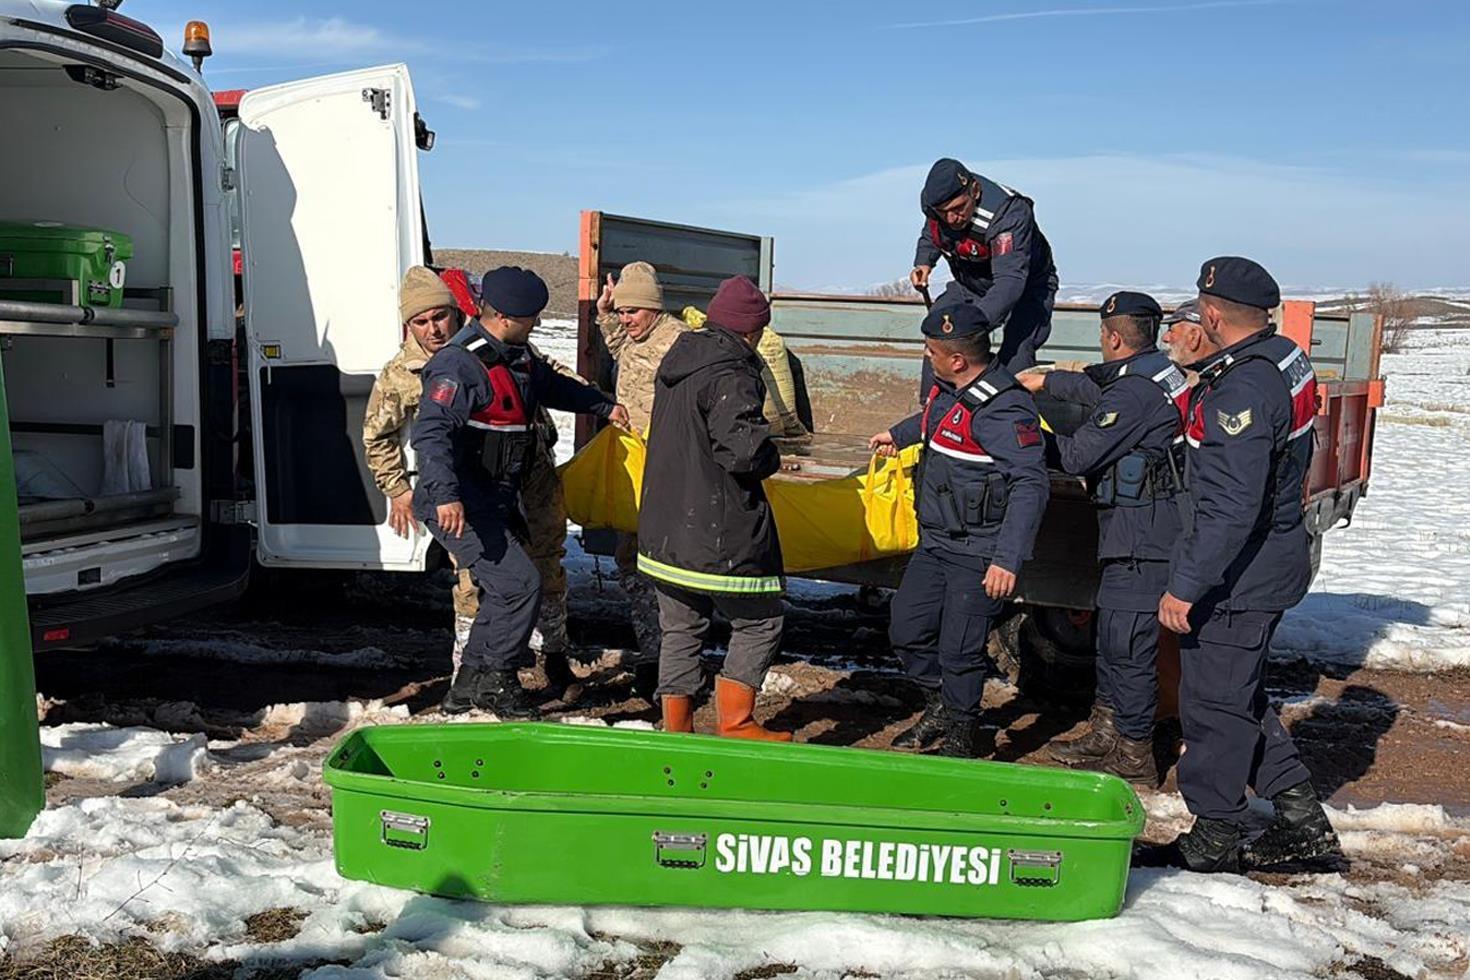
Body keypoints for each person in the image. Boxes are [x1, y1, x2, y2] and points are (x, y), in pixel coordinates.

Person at [1139, 257, 1341, 873]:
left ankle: (1216, 832)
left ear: (1212, 314)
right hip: (1267, 558)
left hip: (1239, 575)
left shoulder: (1243, 389)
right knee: (1237, 696)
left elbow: (1231, 504)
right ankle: (1302, 822)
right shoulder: (1281, 356)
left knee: (1211, 705)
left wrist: (1185, 586)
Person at [412, 266, 629, 716]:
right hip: (459, 503)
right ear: (506, 318)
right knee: (520, 585)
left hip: (491, 501)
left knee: (503, 588)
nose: (537, 324)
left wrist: (603, 406)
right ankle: (498, 681)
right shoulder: (459, 365)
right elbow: (431, 434)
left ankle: (467, 685)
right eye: (532, 318)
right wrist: (447, 495)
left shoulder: (516, 355)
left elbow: (551, 387)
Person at [364, 268, 580, 702]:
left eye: (440, 316)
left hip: (530, 481)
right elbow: (381, 435)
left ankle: (548, 658)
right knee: (481, 585)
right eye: (421, 322)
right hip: (467, 493)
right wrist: (399, 489)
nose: (433, 329)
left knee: (544, 569)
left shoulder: (495, 343)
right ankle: (480, 675)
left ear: (457, 312)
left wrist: (598, 401)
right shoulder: (405, 372)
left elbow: (546, 377)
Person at [1019, 291, 1189, 785]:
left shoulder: (1133, 394)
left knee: (1126, 645)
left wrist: (1024, 433)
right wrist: (1047, 380)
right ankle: (1107, 732)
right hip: (1140, 531)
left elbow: (1077, 456)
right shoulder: (1157, 371)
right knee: (1114, 638)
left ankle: (1133, 754)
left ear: (1113, 337)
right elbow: (1098, 385)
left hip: (1143, 537)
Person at [869, 302, 1050, 757]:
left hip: (978, 550)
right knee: (907, 629)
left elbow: (1030, 484)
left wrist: (1006, 559)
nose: (925, 356)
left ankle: (962, 737)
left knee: (960, 651)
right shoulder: (951, 389)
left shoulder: (1005, 408)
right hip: (936, 542)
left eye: (930, 350)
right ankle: (943, 706)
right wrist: (899, 434)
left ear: (956, 360)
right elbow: (936, 420)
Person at [637, 276, 790, 741]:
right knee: (761, 620)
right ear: (752, 330)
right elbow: (742, 451)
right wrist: (773, 455)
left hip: (665, 527)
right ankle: (737, 723)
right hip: (715, 532)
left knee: (681, 628)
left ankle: (677, 729)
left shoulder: (679, 360)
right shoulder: (731, 374)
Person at [595, 261, 688, 698]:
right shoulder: (636, 336)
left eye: (632, 311)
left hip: (668, 471)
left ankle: (674, 662)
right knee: (631, 563)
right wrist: (605, 315)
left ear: (653, 307)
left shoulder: (680, 343)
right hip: (636, 470)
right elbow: (623, 351)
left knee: (665, 569)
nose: (625, 319)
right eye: (622, 311)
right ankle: (652, 653)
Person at [910, 158, 1059, 373]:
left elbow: (1009, 282)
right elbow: (933, 230)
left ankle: (1011, 393)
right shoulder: (936, 204)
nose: (951, 219)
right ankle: (936, 395)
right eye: (943, 212)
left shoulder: (1008, 214)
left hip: (1025, 286)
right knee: (939, 335)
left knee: (1016, 353)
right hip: (971, 283)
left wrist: (971, 326)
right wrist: (924, 261)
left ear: (975, 191)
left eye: (958, 208)